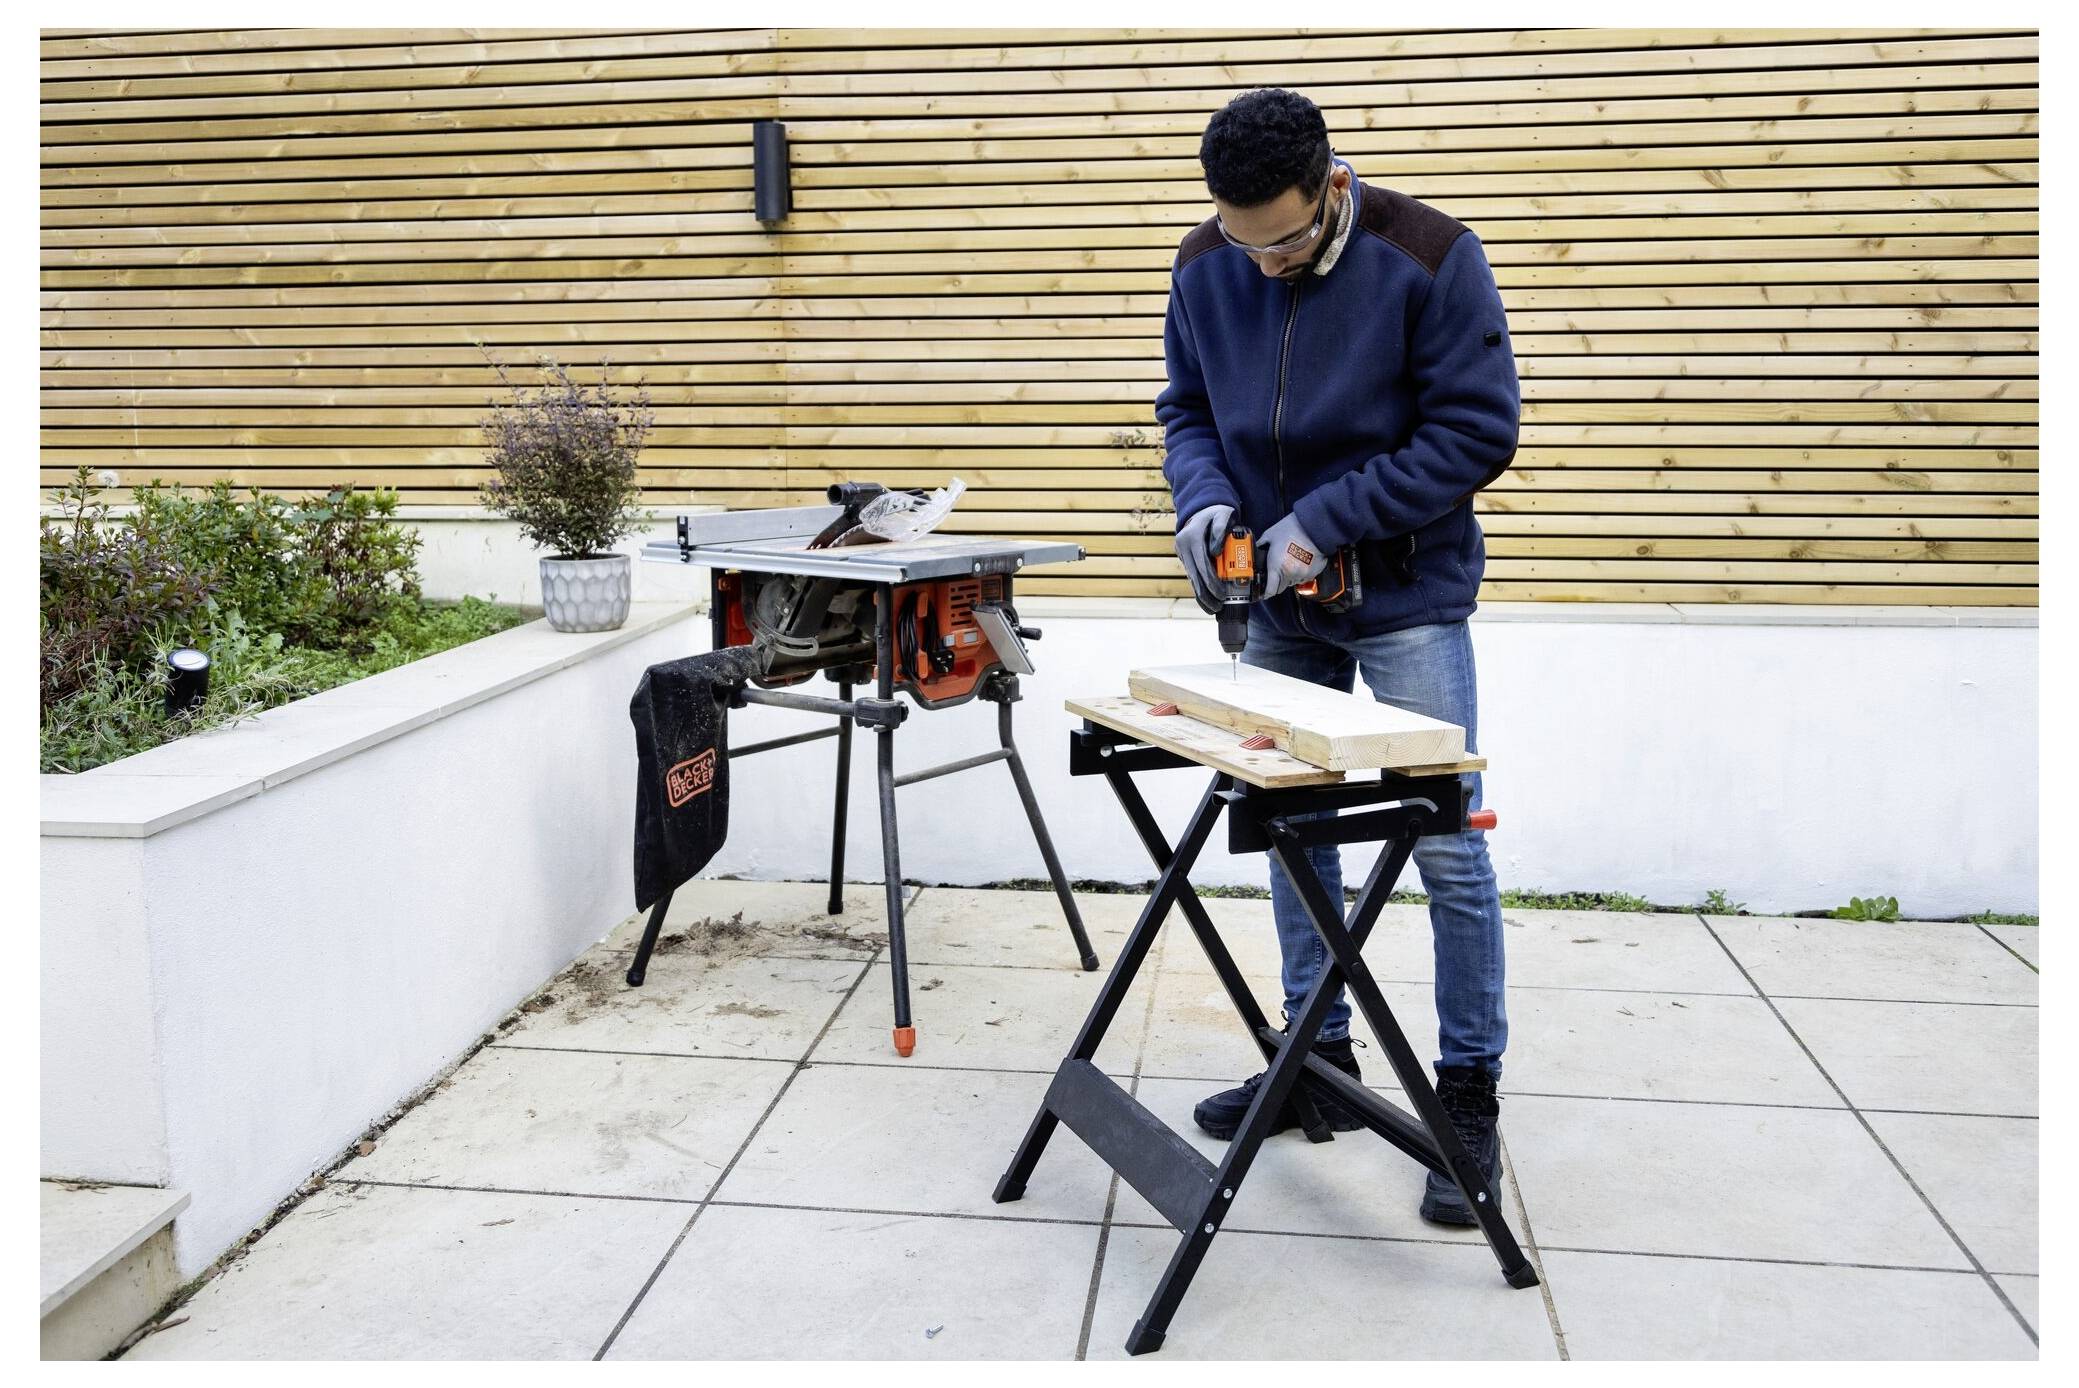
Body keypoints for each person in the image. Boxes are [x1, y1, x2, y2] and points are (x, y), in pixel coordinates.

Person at [1153, 87, 1518, 1226]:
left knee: (1445, 842)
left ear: (1333, 187)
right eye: (1241, 240)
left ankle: (1467, 1091)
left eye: (1286, 241)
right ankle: (1319, 1061)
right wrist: (1206, 506)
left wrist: (1330, 518)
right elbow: (1187, 411)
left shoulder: (1432, 257)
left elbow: (1477, 430)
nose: (1261, 263)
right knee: (1290, 828)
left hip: (1405, 594)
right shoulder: (1208, 257)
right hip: (1277, 598)